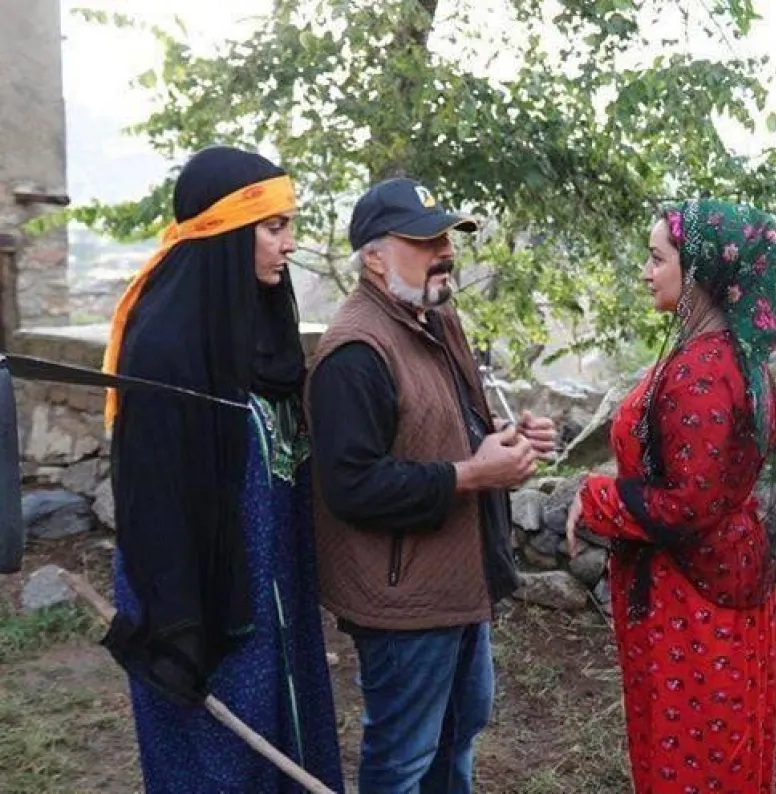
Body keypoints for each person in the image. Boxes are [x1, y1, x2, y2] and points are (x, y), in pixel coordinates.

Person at [102, 146, 344, 793]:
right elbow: (152, 501)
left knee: (285, 739)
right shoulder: (166, 346)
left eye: (289, 225)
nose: (289, 244)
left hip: (276, 585)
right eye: (273, 227)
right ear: (225, 232)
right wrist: (178, 627)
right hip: (204, 599)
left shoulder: (262, 328)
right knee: (220, 764)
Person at [304, 177, 557, 794]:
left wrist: (505, 438)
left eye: (446, 236)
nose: (444, 250)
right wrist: (474, 474)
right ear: (374, 258)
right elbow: (351, 487)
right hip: (404, 601)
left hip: (457, 580)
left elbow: (440, 428)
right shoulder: (354, 354)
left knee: (458, 735)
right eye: (424, 240)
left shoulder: (435, 317)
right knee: (403, 761)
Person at [566, 199, 776, 793]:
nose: (646, 273)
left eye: (656, 258)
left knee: (692, 756)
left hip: (690, 600)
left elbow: (687, 504)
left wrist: (595, 498)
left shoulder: (703, 372)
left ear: (698, 271)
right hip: (721, 577)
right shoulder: (734, 356)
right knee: (723, 749)